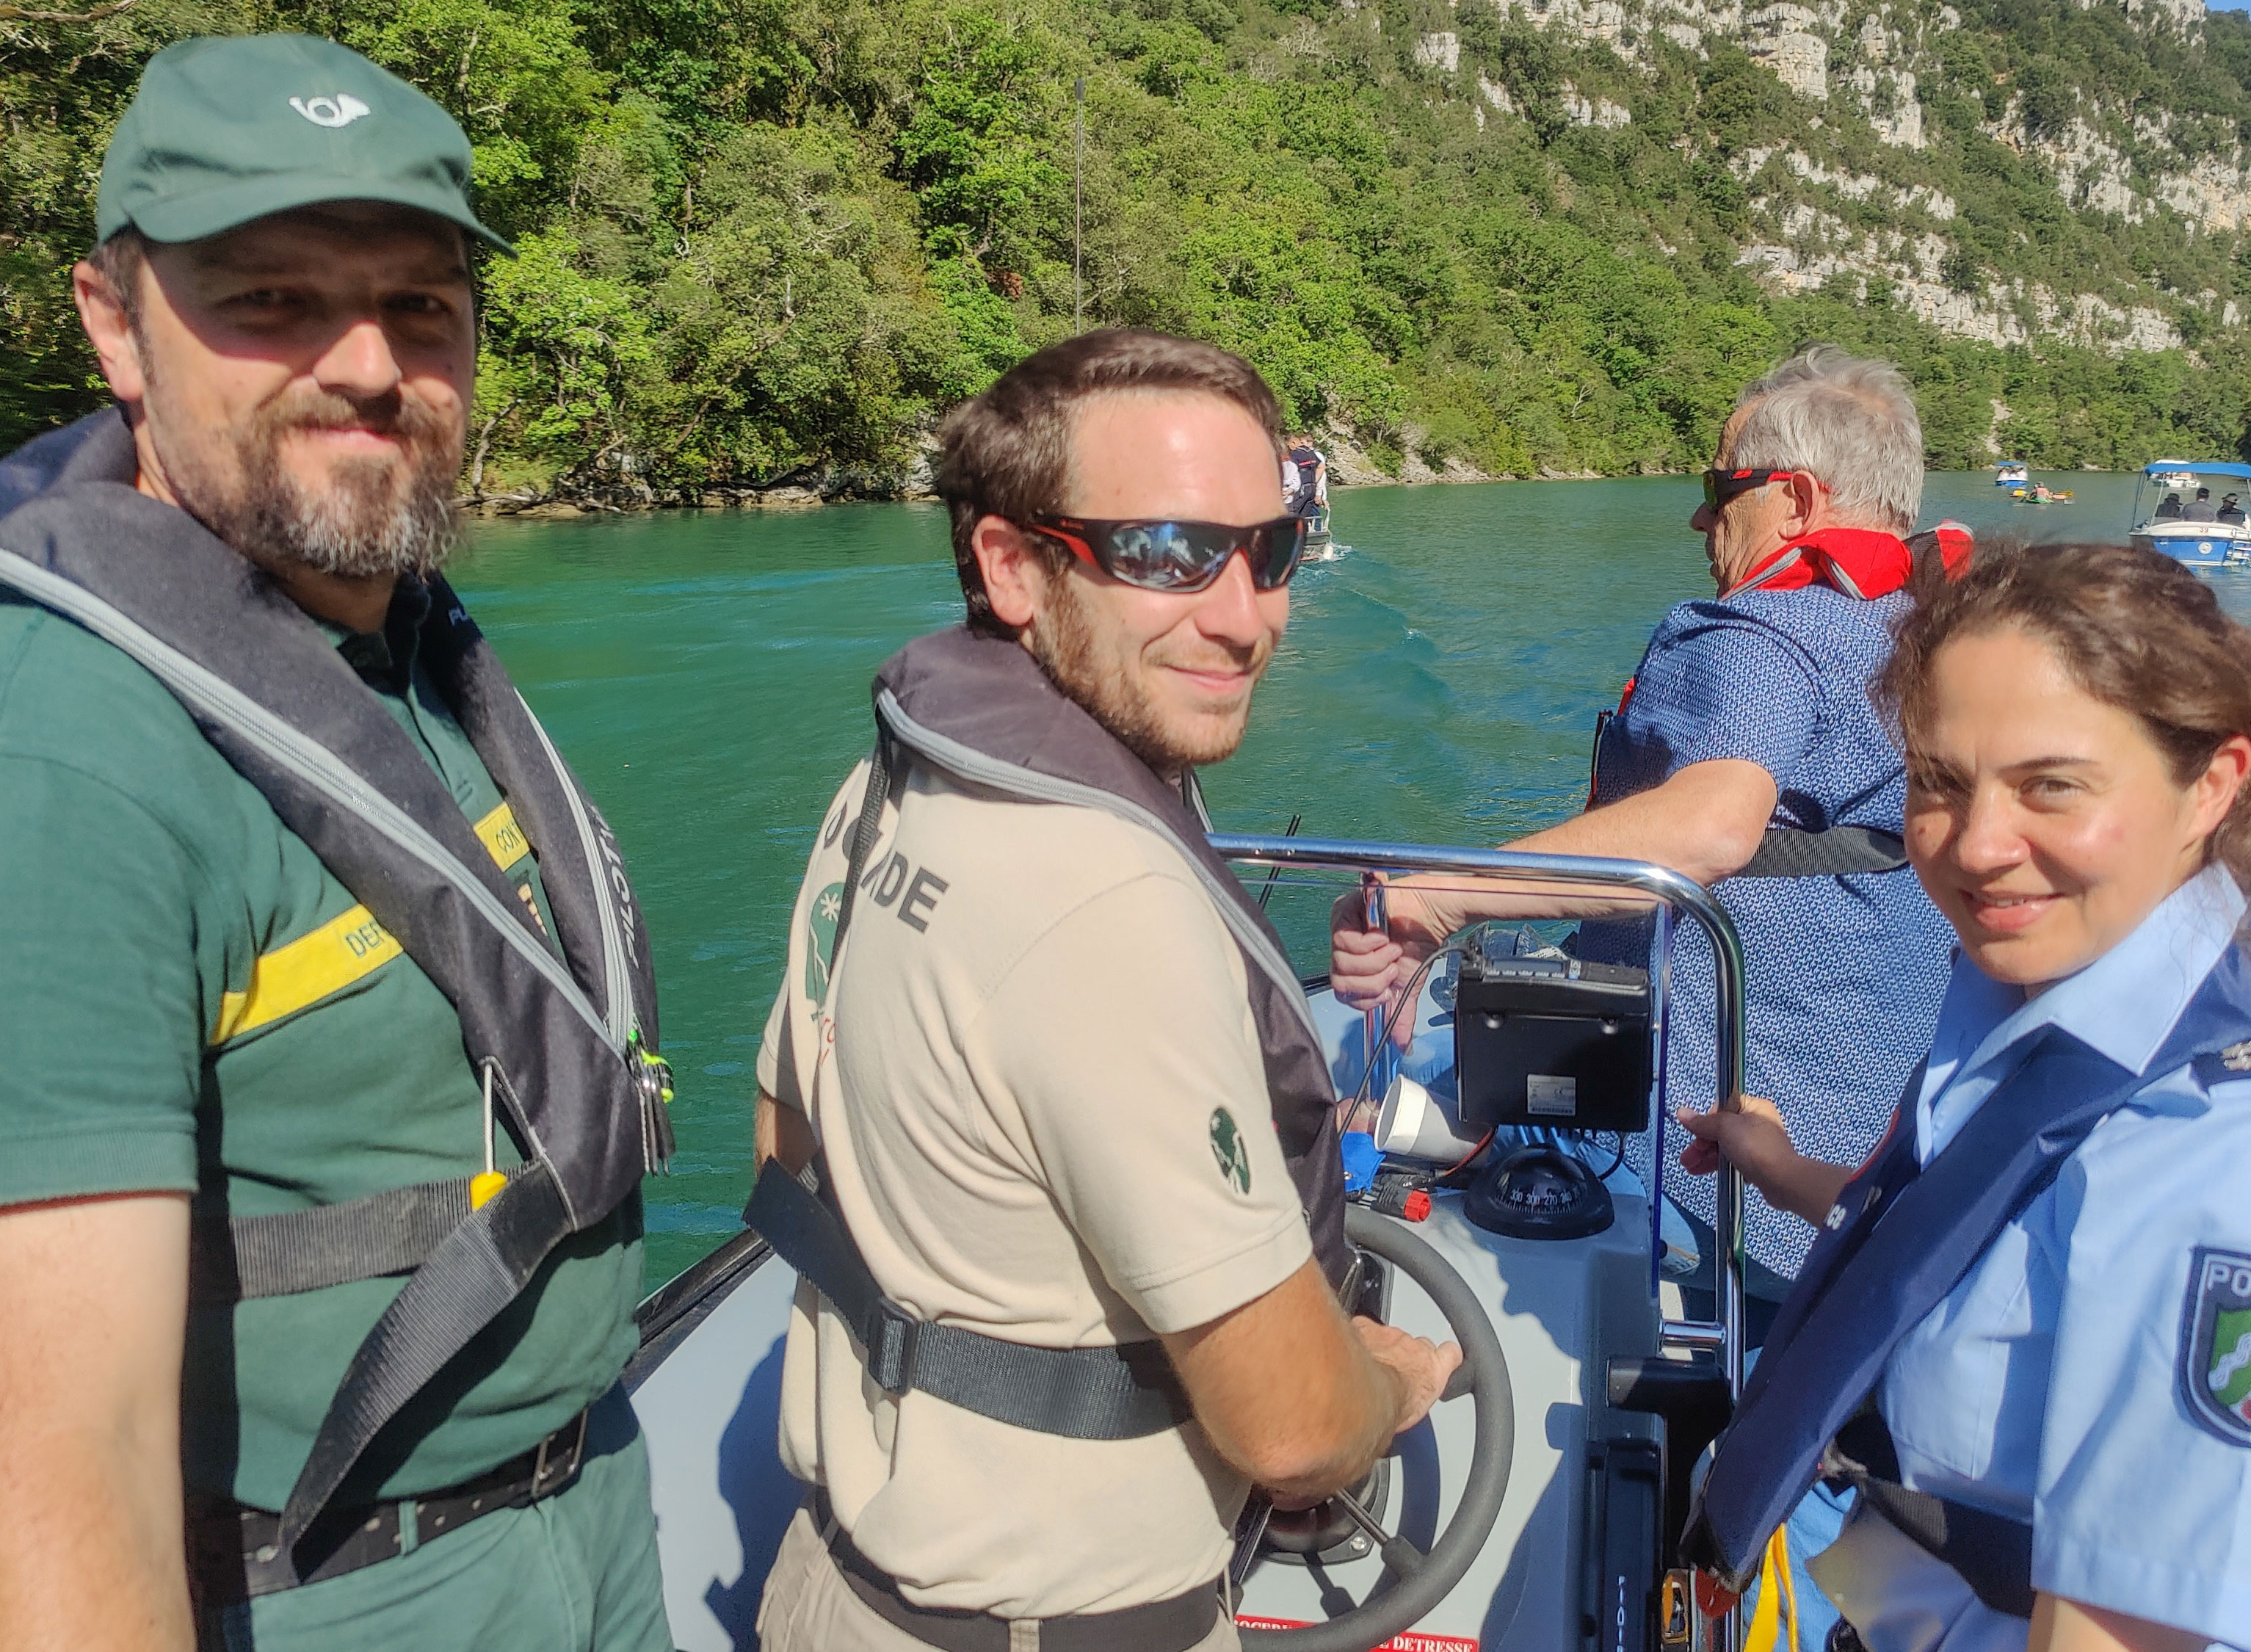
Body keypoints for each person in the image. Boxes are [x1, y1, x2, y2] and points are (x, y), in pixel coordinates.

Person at [0, 35, 673, 1652]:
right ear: (115, 325)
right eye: (273, 300)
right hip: (347, 1597)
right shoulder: (37, 764)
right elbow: (62, 1492)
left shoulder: (395, 657)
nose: (367, 362)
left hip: (590, 1518)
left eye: (419, 305)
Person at [747, 330, 1460, 1652]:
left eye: (1271, 550)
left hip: (833, 1587)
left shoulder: (890, 788)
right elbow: (1296, 1429)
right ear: (1012, 567)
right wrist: (1393, 1385)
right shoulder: (1107, 905)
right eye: (1168, 553)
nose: (1248, 616)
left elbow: (785, 1143)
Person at [1675, 540, 2251, 1652]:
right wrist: (1781, 1168)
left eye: (2050, 786)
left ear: (2211, 784)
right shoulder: (2061, 999)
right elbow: (1988, 1236)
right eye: (1939, 781)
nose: (1977, 846)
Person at [1330, 345, 1960, 1295]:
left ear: (1793, 501)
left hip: (1719, 1186)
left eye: (1721, 485)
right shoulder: (1934, 633)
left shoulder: (1760, 638)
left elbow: (1713, 825)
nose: (1702, 514)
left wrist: (1438, 895)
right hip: (1881, 1163)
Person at [1281, 433, 1330, 522]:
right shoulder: (1310, 452)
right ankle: (1303, 533)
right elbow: (1322, 467)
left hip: (1301, 489)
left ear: (1294, 442)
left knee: (1291, 513)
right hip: (1311, 489)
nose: (1288, 449)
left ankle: (1289, 534)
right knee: (1304, 518)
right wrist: (1313, 481)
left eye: (1288, 446)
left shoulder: (1295, 454)